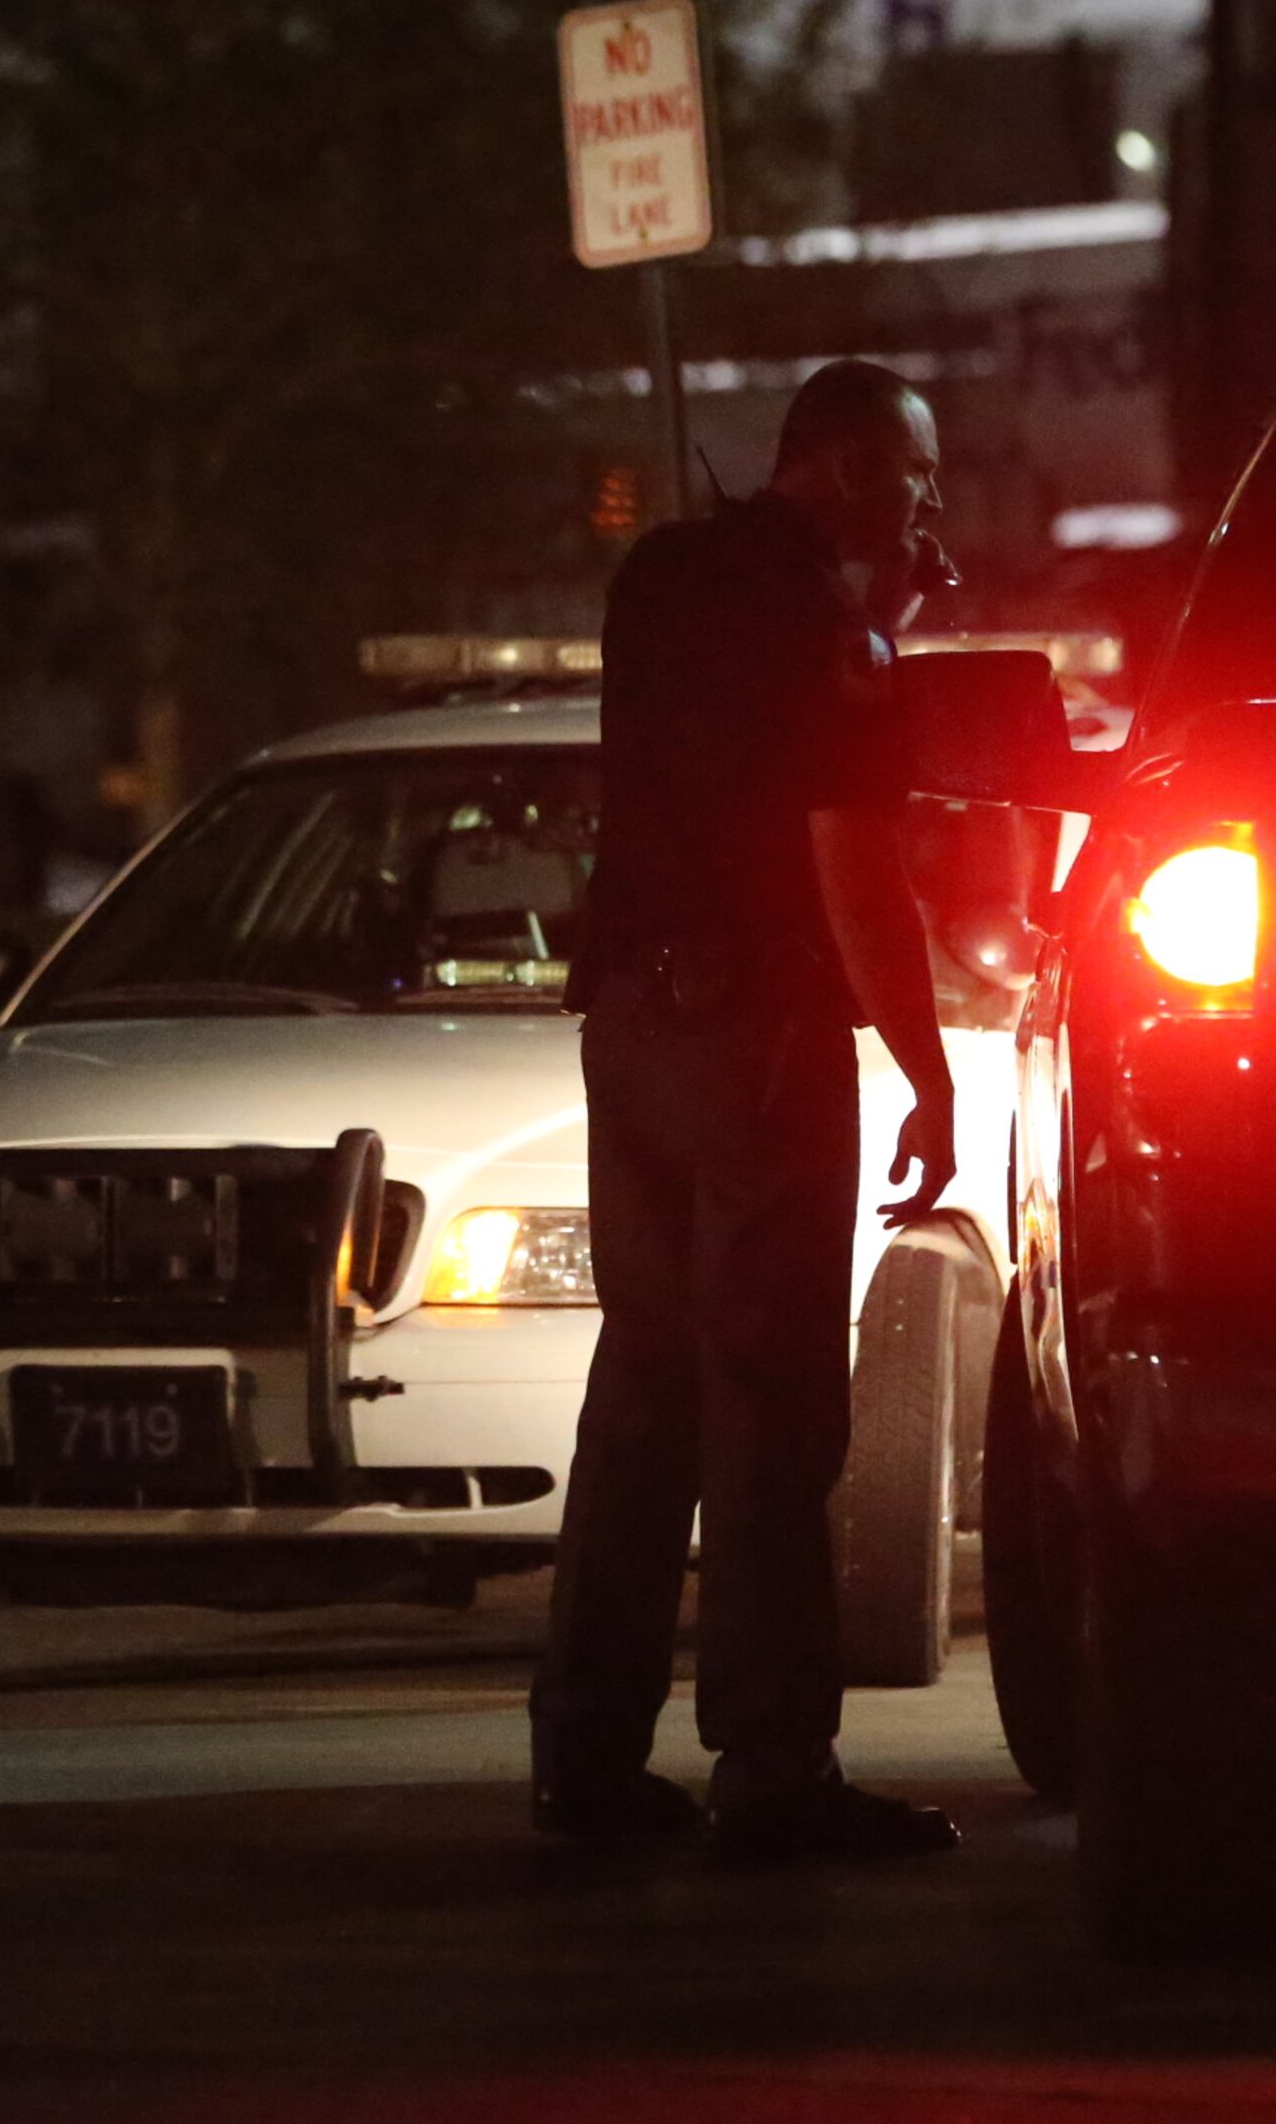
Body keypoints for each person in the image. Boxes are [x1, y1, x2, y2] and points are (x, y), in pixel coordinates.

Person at [530, 357, 964, 1860]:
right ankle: (775, 1770)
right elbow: (855, 866)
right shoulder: (829, 629)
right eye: (915, 474)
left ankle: (585, 1759)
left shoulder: (660, 578)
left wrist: (876, 621)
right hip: (761, 1032)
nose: (930, 503)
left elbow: (707, 746)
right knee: (776, 1403)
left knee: (645, 1391)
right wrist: (927, 1070)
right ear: (845, 469)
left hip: (634, 1021)